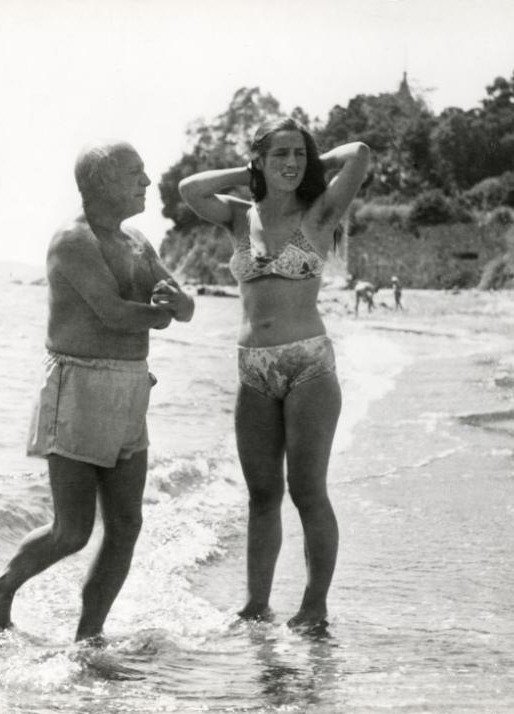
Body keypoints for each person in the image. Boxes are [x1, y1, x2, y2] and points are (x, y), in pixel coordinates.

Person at [0, 140, 194, 642]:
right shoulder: (73, 242)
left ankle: (88, 637)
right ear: (100, 184)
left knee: (126, 525)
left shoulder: (137, 242)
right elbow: (113, 313)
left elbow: (183, 309)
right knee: (72, 531)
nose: (146, 182)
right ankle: (2, 585)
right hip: (78, 387)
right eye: (135, 173)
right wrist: (162, 315)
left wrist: (179, 303)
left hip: (129, 390)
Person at [178, 117, 371, 632]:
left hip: (308, 363)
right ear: (259, 160)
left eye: (298, 155)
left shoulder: (321, 211)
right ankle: (255, 603)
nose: (291, 164)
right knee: (262, 495)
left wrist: (315, 159)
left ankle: (314, 603)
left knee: (307, 491)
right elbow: (189, 189)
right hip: (253, 371)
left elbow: (361, 155)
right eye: (279, 154)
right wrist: (251, 170)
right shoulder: (240, 218)